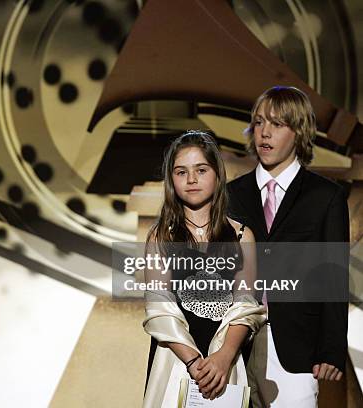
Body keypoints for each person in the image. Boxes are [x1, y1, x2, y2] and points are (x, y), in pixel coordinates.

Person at [228, 86, 349, 407]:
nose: (264, 133)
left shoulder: (326, 197)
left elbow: (334, 278)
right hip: (233, 345)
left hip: (297, 347)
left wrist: (332, 349)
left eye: (277, 124)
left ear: (299, 132)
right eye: (258, 122)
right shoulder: (230, 195)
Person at [143, 131, 266, 407]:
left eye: (201, 169)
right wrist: (193, 361)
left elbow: (246, 305)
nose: (191, 179)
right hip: (176, 358)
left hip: (225, 362)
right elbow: (159, 308)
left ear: (217, 175)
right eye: (181, 171)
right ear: (171, 180)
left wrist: (224, 357)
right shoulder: (160, 237)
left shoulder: (242, 236)